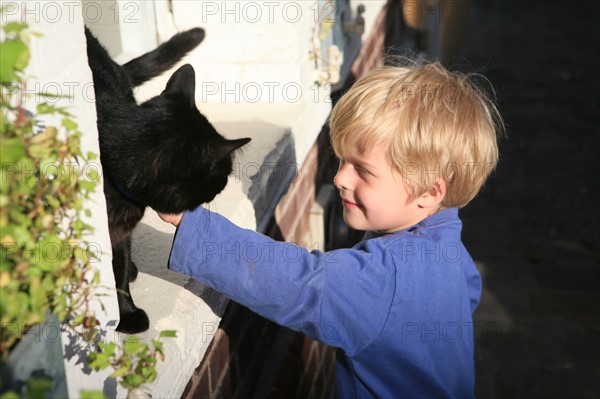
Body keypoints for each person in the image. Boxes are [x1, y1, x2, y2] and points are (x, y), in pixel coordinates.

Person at [158, 61, 502, 398]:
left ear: (429, 192)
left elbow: (299, 283)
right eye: (341, 159)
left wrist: (191, 224)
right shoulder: (448, 248)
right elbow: (468, 293)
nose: (339, 178)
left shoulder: (382, 282)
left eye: (363, 171)